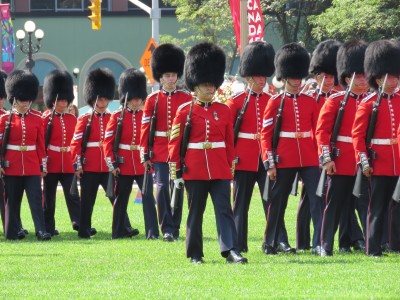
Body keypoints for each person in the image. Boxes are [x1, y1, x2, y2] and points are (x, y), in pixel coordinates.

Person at [168, 42, 247, 264]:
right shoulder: (185, 111)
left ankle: (231, 250)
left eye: (213, 84)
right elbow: (175, 143)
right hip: (195, 168)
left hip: (220, 167)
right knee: (196, 213)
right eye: (205, 84)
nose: (210, 88)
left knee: (225, 210)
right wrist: (177, 171)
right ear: (195, 85)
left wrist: (230, 165)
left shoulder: (223, 110)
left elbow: (229, 142)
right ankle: (195, 253)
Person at [226, 41, 293, 254]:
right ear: (248, 77)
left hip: (265, 159)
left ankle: (277, 240)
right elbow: (229, 134)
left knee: (273, 202)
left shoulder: (271, 100)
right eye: (258, 76)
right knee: (241, 204)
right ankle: (238, 243)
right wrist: (232, 157)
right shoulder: (236, 101)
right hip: (243, 157)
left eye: (264, 76)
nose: (262, 80)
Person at [260, 42, 324, 255]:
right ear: (285, 77)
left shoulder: (309, 101)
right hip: (284, 157)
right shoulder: (275, 102)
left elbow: (317, 130)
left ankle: (319, 243)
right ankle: (273, 241)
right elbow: (266, 135)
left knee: (317, 198)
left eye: (299, 77)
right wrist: (269, 162)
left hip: (308, 156)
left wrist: (321, 156)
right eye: (293, 77)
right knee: (278, 201)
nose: (297, 81)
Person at [316, 40, 369, 256]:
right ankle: (325, 244)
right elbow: (322, 132)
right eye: (360, 76)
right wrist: (327, 159)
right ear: (348, 78)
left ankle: (350, 242)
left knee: (361, 203)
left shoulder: (370, 100)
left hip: (362, 162)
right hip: (340, 160)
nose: (365, 79)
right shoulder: (336, 100)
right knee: (334, 205)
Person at [70, 68, 136, 239]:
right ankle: (84, 231)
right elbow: (75, 143)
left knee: (116, 199)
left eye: (105, 98)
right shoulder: (84, 119)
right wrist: (77, 165)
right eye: (99, 98)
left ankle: (124, 227)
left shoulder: (112, 117)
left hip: (108, 167)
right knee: (87, 201)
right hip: (90, 166)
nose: (103, 101)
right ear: (93, 98)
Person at [353, 40, 400, 257]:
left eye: (396, 76)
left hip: (396, 161)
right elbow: (358, 135)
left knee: (396, 206)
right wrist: (363, 161)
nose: (394, 80)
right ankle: (373, 248)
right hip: (378, 162)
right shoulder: (369, 103)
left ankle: (394, 244)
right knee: (377, 206)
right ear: (379, 78)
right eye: (390, 77)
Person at [140, 43, 192, 241]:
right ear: (160, 77)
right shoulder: (152, 100)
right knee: (162, 188)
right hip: (160, 150)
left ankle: (176, 226)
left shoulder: (186, 98)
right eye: (167, 76)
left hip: (180, 151)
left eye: (173, 75)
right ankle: (167, 228)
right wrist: (145, 153)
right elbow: (146, 129)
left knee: (177, 187)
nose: (171, 79)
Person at [296, 39, 341, 251]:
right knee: (311, 197)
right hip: (313, 153)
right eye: (325, 75)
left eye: (332, 75)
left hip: (334, 153)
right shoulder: (309, 97)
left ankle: (318, 240)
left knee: (321, 198)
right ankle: (305, 240)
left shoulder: (339, 97)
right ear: (316, 75)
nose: (329, 79)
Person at [104, 68, 159, 239]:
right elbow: (108, 142)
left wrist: (151, 158)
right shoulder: (117, 116)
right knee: (121, 199)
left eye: (139, 98)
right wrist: (112, 164)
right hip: (124, 163)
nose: (136, 102)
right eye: (134, 99)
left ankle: (152, 232)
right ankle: (118, 231)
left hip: (143, 163)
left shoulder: (146, 116)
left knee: (149, 198)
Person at [0, 70, 51, 240]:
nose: (25, 103)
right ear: (13, 98)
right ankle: (12, 231)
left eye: (28, 99)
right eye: (22, 100)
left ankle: (41, 230)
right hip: (11, 165)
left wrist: (42, 165)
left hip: (31, 165)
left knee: (36, 200)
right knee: (12, 202)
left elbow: (40, 145)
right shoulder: (5, 119)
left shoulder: (37, 118)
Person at [42, 70, 81, 236]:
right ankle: (48, 227)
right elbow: (41, 143)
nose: (64, 102)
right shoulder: (45, 118)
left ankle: (79, 223)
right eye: (61, 98)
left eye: (66, 99)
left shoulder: (72, 119)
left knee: (73, 195)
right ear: (53, 99)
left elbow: (76, 142)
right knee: (49, 198)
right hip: (51, 162)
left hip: (67, 161)